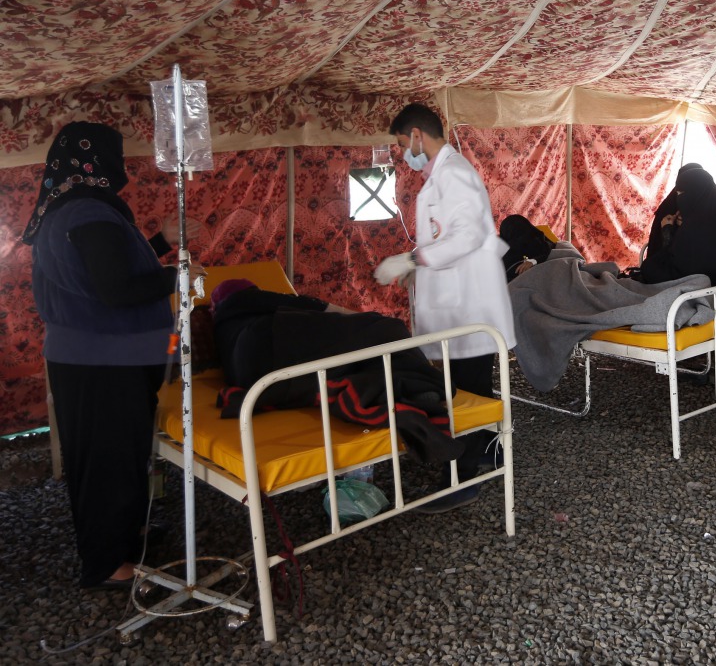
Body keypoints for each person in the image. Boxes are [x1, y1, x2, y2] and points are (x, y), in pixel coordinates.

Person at [23, 121, 197, 590]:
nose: (122, 167)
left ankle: (128, 533)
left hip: (97, 357)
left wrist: (160, 243)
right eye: (115, 156)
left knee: (118, 454)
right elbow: (118, 289)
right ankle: (107, 563)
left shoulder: (73, 209)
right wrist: (178, 276)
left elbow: (106, 269)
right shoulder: (88, 214)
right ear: (95, 160)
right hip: (102, 362)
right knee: (107, 460)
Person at [374, 103, 516, 512]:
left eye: (403, 143)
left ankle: (460, 479)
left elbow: (467, 236)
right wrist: (416, 265)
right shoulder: (441, 176)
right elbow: (445, 237)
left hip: (468, 308)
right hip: (461, 303)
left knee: (464, 395)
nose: (405, 153)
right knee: (476, 388)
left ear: (418, 134)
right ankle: (490, 453)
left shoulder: (453, 174)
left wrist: (414, 260)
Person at [209, 279, 464, 465]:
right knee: (389, 330)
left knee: (348, 364)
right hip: (267, 339)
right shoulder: (243, 297)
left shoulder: (220, 325)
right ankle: (422, 386)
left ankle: (408, 387)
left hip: (255, 381)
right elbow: (310, 305)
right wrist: (364, 319)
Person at [638, 165, 716, 311]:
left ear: (695, 193)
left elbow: (679, 268)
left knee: (648, 268)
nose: (679, 198)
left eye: (682, 193)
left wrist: (668, 230)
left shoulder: (695, 225)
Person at [644, 162, 703, 262]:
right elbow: (666, 253)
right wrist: (668, 228)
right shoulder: (669, 208)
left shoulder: (704, 206)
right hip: (669, 264)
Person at [499, 215, 558, 281]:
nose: (520, 239)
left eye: (522, 231)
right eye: (517, 234)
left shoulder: (534, 238)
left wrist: (534, 261)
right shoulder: (501, 254)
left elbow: (550, 246)